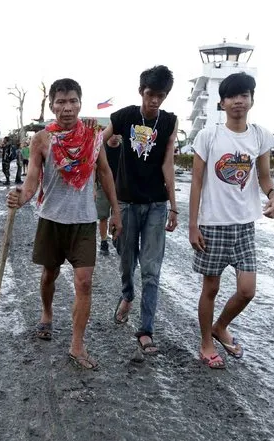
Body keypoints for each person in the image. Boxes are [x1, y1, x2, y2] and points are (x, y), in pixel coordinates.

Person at [6, 78, 121, 370]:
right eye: (60, 102)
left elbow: (105, 173)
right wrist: (21, 197)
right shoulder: (41, 139)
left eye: (72, 101)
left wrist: (116, 211)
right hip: (51, 219)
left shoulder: (94, 136)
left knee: (84, 282)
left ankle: (77, 346)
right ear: (52, 105)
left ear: (80, 103)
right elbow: (33, 179)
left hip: (83, 222)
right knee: (49, 275)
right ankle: (46, 313)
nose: (67, 108)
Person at [188, 72, 274, 369]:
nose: (238, 101)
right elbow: (197, 182)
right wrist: (193, 225)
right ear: (221, 102)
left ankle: (220, 326)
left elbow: (264, 177)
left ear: (252, 99)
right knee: (211, 288)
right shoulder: (208, 136)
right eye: (232, 96)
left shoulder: (260, 135)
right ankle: (206, 341)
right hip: (212, 224)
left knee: (247, 290)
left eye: (244, 95)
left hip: (244, 226)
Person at [102, 65, 179, 355]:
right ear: (140, 92)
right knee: (126, 260)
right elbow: (100, 143)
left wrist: (174, 206)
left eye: (160, 95)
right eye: (150, 94)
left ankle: (146, 330)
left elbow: (167, 163)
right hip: (125, 203)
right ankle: (127, 295)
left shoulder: (169, 122)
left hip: (156, 205)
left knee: (151, 269)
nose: (154, 101)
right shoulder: (124, 117)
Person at [94, 134, 122, 256]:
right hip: (103, 186)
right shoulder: (102, 148)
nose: (115, 137)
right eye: (113, 134)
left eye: (118, 134)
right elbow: (94, 167)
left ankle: (117, 238)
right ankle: (104, 241)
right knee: (103, 216)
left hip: (120, 187)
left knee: (119, 214)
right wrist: (94, 187)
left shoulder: (124, 149)